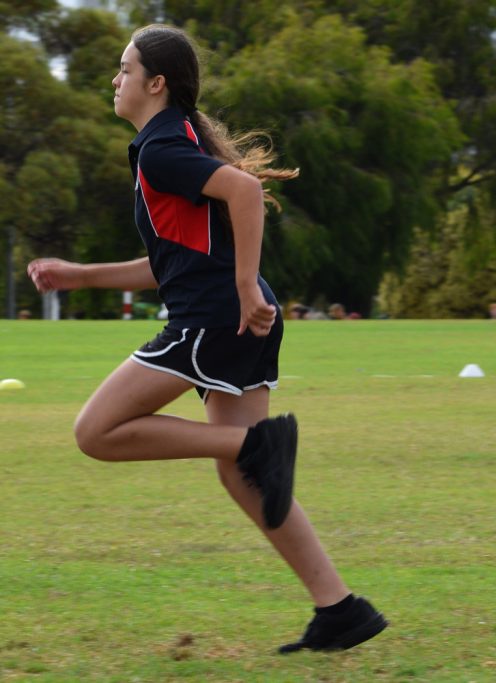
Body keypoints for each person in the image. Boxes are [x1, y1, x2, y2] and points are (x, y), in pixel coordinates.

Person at [26, 25, 386, 652]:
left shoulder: (161, 150)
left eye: (125, 69)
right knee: (247, 476)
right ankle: (340, 608)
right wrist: (81, 276)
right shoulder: (174, 140)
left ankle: (254, 443)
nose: (115, 79)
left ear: (156, 83)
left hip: (214, 319)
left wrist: (244, 285)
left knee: (96, 432)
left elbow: (245, 191)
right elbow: (173, 262)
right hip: (237, 316)